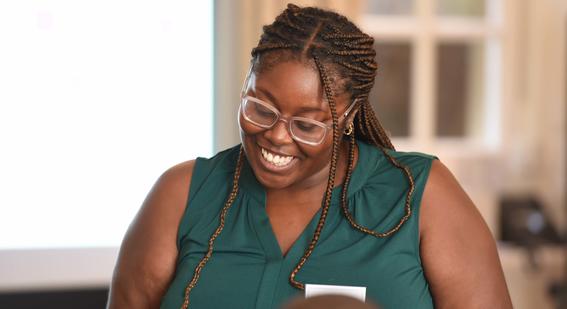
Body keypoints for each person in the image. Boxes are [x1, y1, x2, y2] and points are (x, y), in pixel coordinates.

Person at [107, 4, 513, 309]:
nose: (276, 137)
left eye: (307, 124)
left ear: (349, 117)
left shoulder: (419, 196)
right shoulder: (182, 194)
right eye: (260, 108)